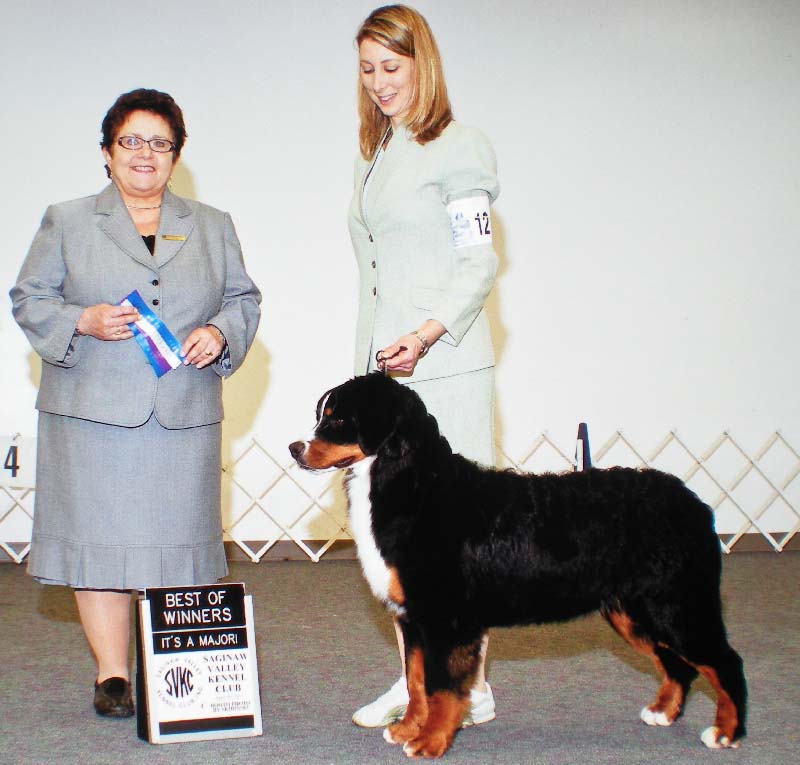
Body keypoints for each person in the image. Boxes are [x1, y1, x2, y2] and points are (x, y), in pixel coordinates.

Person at [10, 88, 261, 718]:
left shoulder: (213, 224)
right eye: (130, 141)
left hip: (182, 412)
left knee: (177, 542)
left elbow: (243, 300)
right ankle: (113, 674)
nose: (144, 153)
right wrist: (82, 319)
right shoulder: (66, 220)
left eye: (159, 142)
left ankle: (171, 667)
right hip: (90, 413)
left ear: (176, 154)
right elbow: (29, 298)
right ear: (106, 151)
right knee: (97, 546)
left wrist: (220, 332)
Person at [348, 5, 500, 729]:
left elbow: (479, 262)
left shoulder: (459, 146)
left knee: (451, 541)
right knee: (400, 537)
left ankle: (465, 686)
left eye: (392, 66)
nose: (379, 82)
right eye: (367, 69)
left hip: (444, 364)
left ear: (422, 64)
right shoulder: (373, 152)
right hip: (384, 371)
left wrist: (427, 332)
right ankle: (418, 680)